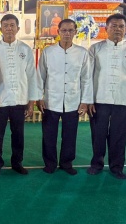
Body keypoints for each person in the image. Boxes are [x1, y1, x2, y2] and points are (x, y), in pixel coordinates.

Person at [0, 14, 42, 175]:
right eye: (6, 25)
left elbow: (32, 76)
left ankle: (17, 162)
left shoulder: (25, 49)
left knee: (18, 134)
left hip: (20, 99)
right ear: (1, 28)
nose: (9, 28)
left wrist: (31, 102)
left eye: (12, 25)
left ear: (18, 28)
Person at [88, 13, 126, 179]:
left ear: (125, 29)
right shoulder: (96, 48)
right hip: (100, 99)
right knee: (98, 134)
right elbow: (88, 76)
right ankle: (96, 164)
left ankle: (117, 167)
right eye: (114, 26)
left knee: (119, 136)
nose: (118, 29)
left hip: (123, 100)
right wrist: (88, 100)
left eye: (121, 26)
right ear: (106, 28)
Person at [38, 18, 93, 175]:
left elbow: (86, 78)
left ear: (75, 32)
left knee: (70, 135)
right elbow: (40, 76)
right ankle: (50, 163)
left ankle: (66, 163)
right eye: (64, 30)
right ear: (58, 32)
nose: (67, 33)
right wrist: (39, 97)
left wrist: (85, 101)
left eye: (70, 30)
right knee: (49, 135)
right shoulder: (48, 52)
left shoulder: (82, 53)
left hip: (72, 101)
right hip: (51, 100)